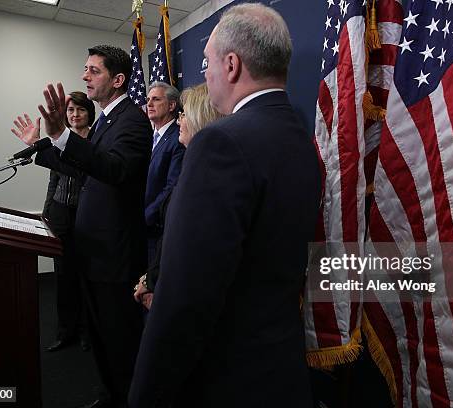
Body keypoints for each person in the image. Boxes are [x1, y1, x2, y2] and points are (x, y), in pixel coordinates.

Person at [128, 4, 321, 408]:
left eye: (206, 62)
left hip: (225, 376)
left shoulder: (221, 143)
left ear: (231, 65)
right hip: (279, 367)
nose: (205, 75)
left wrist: (144, 394)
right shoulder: (301, 138)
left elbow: (186, 294)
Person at [12, 45, 152, 408]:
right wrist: (43, 146)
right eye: (85, 68)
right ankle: (111, 394)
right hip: (95, 251)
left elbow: (115, 169)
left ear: (118, 80)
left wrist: (63, 135)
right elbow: (85, 169)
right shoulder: (106, 119)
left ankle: (129, 398)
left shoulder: (133, 121)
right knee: (103, 337)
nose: (85, 76)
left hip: (115, 255)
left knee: (121, 340)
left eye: (94, 70)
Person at [133, 83, 223, 310]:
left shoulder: (206, 177)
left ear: (200, 120)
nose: (180, 120)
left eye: (184, 114)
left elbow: (184, 236)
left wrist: (153, 281)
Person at [38, 91, 94, 353]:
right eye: (70, 111)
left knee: (85, 276)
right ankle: (65, 331)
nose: (75, 115)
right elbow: (54, 179)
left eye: (80, 110)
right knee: (63, 277)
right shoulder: (58, 141)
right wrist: (47, 211)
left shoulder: (96, 139)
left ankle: (86, 332)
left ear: (88, 113)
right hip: (60, 213)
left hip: (85, 216)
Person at [144, 81, 185, 266]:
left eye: (156, 99)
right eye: (148, 99)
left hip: (157, 227)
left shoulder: (178, 138)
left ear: (171, 105)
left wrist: (146, 216)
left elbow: (172, 186)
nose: (149, 104)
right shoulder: (147, 136)